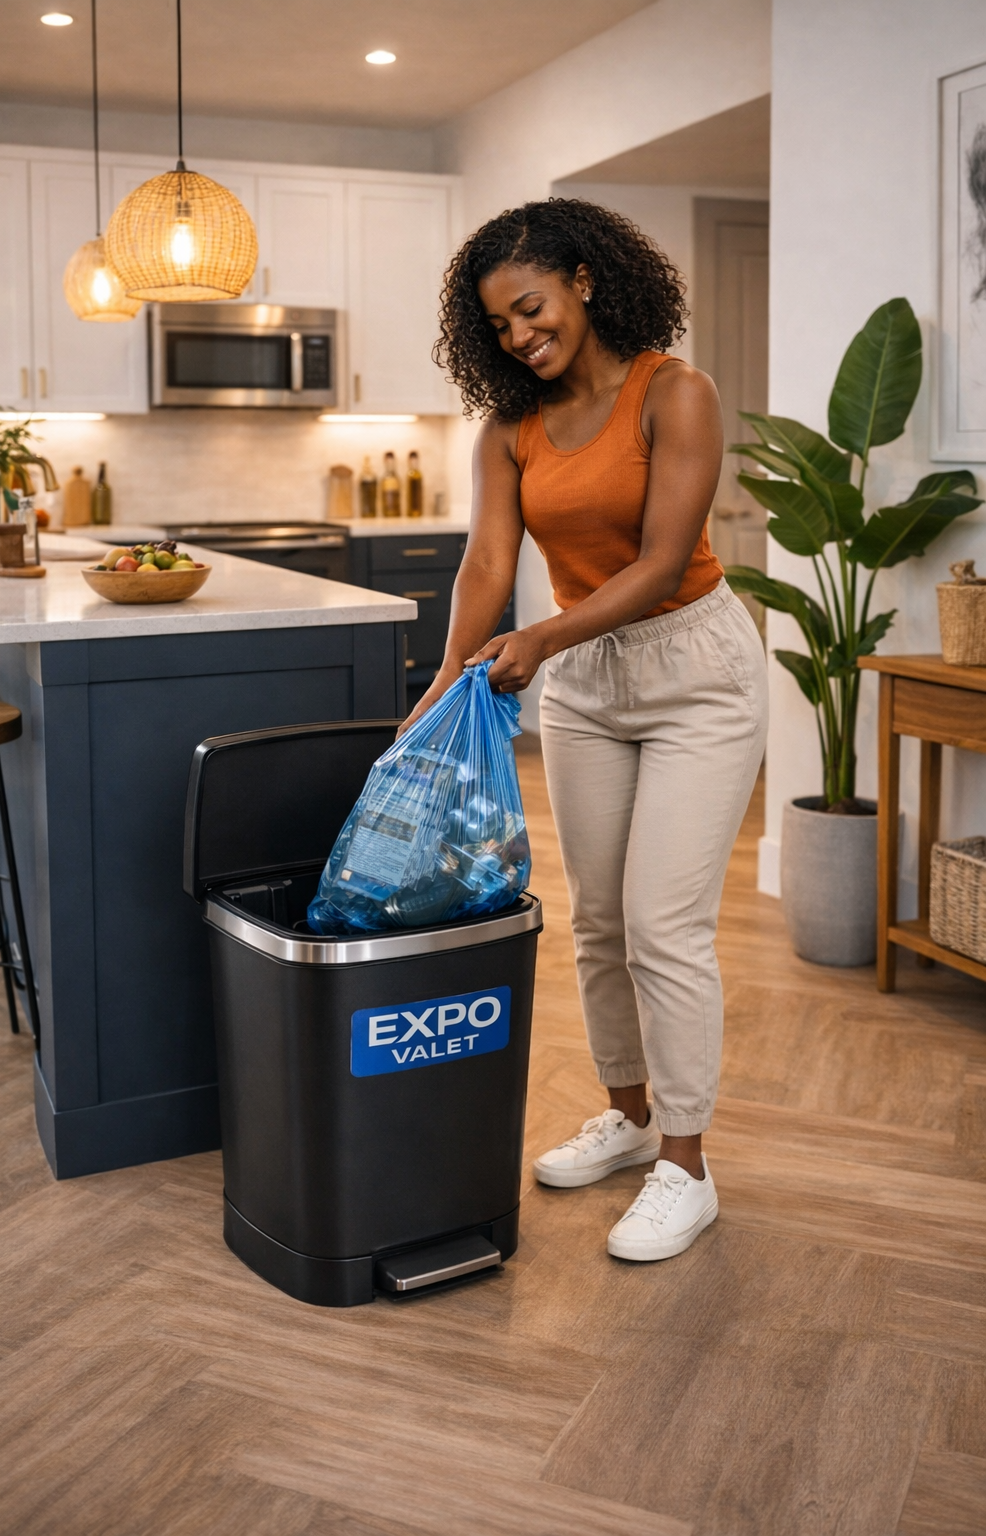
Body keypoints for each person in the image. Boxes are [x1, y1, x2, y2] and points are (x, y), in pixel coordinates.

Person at [403, 199, 768, 1262]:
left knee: (664, 923)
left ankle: (687, 1167)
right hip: (586, 682)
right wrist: (436, 689)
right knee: (600, 920)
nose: (520, 336)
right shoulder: (510, 426)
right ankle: (632, 1116)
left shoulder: (675, 393)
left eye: (531, 309)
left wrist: (543, 637)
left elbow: (660, 564)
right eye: (501, 326)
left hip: (694, 671)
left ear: (583, 279)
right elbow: (484, 566)